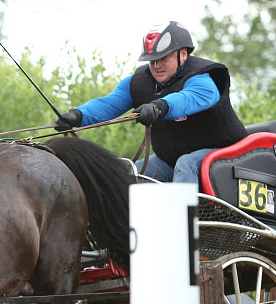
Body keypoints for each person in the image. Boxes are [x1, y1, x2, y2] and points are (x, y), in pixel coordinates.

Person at [53, 21, 247, 184]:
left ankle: (182, 226)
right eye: (152, 59)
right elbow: (109, 103)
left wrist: (159, 107)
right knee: (130, 175)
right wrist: (77, 116)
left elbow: (185, 99)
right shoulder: (138, 82)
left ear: (184, 55)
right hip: (171, 160)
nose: (157, 65)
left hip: (226, 155)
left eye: (164, 57)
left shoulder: (202, 80)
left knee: (186, 164)